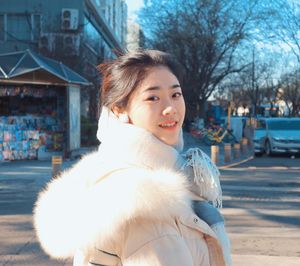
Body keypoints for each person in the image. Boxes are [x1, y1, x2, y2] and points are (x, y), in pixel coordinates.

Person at [34, 49, 230, 266]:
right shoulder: (138, 201)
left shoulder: (172, 175)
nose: (170, 109)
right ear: (119, 109)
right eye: (153, 98)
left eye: (175, 94)